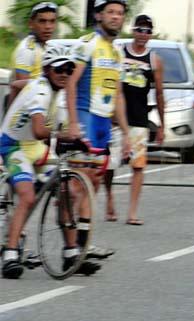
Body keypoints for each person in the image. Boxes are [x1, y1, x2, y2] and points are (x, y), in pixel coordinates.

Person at [1, 45, 100, 279]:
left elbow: (16, 85)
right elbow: (37, 130)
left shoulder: (51, 88)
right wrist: (65, 135)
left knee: (68, 192)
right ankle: (11, 255)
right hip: (14, 146)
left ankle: (71, 254)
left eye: (69, 69)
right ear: (47, 70)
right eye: (60, 69)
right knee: (27, 196)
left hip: (36, 148)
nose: (65, 74)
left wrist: (81, 140)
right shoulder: (42, 91)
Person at [65, 0, 130, 257]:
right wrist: (72, 122)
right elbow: (71, 84)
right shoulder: (88, 43)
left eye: (120, 13)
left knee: (93, 183)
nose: (115, 17)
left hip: (104, 123)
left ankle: (82, 244)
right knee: (77, 186)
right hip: (85, 116)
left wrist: (125, 133)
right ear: (98, 15)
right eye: (110, 12)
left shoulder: (117, 52)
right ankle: (70, 246)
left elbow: (119, 96)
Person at [104, 14, 165, 225]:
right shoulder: (119, 53)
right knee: (109, 164)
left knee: (138, 166)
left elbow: (159, 93)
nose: (143, 34)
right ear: (133, 31)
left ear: (151, 34)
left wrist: (162, 125)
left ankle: (132, 211)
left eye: (147, 31)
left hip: (139, 118)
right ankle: (110, 199)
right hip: (115, 118)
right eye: (140, 29)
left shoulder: (154, 60)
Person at [10, 2, 58, 81]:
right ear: (31, 24)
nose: (48, 26)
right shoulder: (27, 50)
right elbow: (21, 89)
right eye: (42, 21)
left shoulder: (49, 46)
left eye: (52, 21)